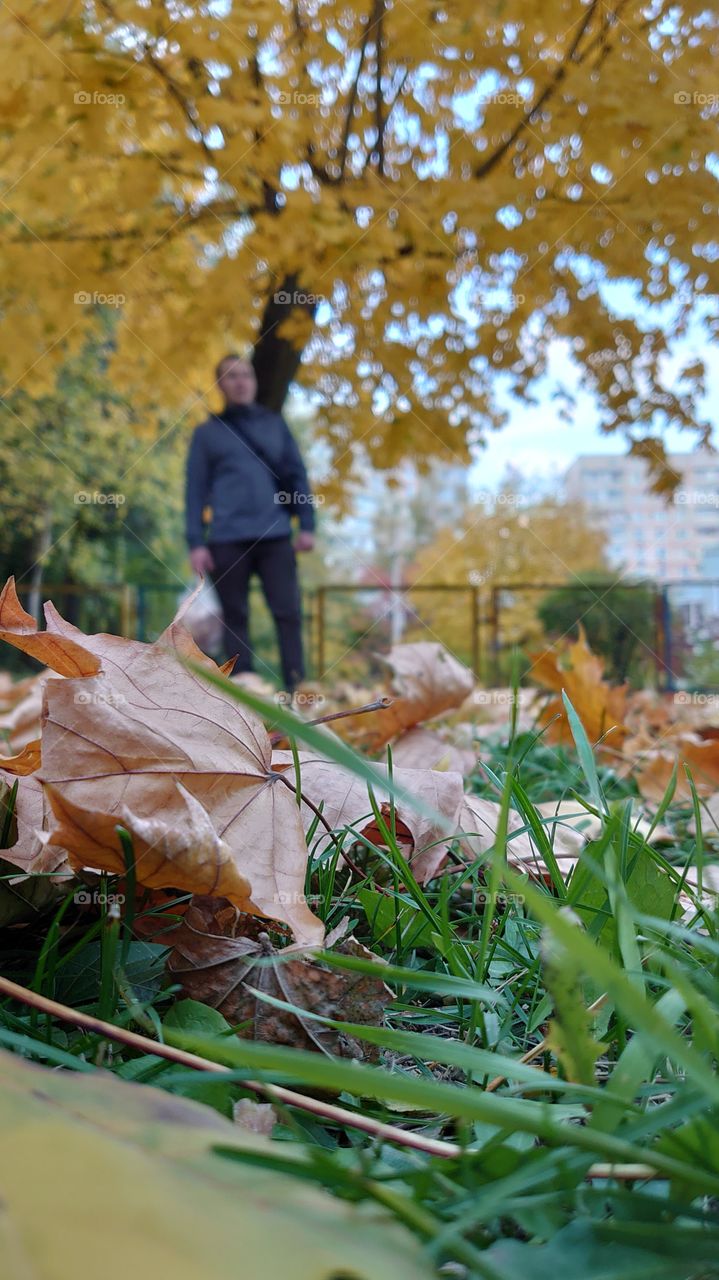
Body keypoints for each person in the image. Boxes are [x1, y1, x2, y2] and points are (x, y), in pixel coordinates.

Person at [185, 354, 316, 692]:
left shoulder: (275, 425)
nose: (240, 381)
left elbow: (297, 476)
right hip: (227, 539)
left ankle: (297, 691)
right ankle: (245, 694)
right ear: (220, 386)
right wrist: (196, 542)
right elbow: (195, 490)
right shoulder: (207, 434)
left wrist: (307, 524)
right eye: (231, 376)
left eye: (246, 375)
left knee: (288, 613)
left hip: (275, 536)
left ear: (255, 382)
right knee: (234, 618)